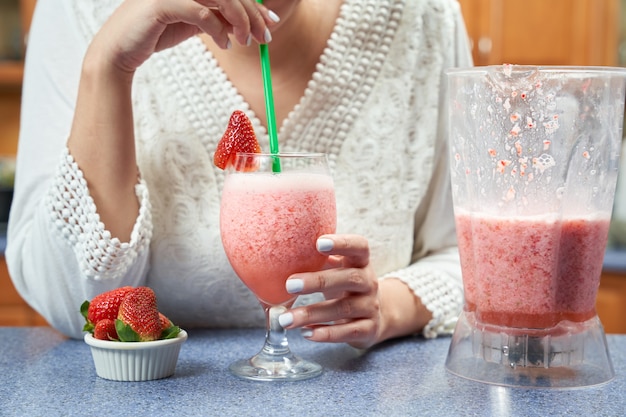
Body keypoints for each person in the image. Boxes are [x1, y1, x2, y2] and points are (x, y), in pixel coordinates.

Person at [7, 0, 472, 348]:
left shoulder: (425, 15)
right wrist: (108, 66)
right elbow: (71, 304)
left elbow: (469, 258)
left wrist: (386, 308)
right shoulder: (78, 9)